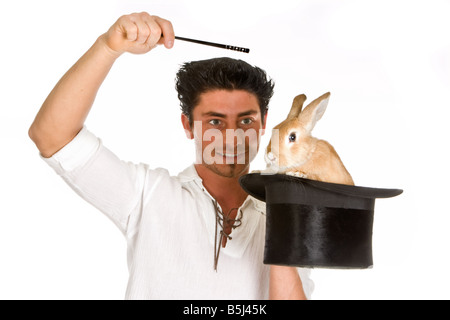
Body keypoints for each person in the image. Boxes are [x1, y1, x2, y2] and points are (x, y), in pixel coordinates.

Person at [28, 12, 313, 300]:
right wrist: (107, 47)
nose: (232, 136)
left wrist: (283, 221)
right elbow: (52, 136)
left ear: (263, 124)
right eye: (215, 122)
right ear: (188, 125)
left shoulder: (289, 214)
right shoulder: (148, 196)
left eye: (245, 121)